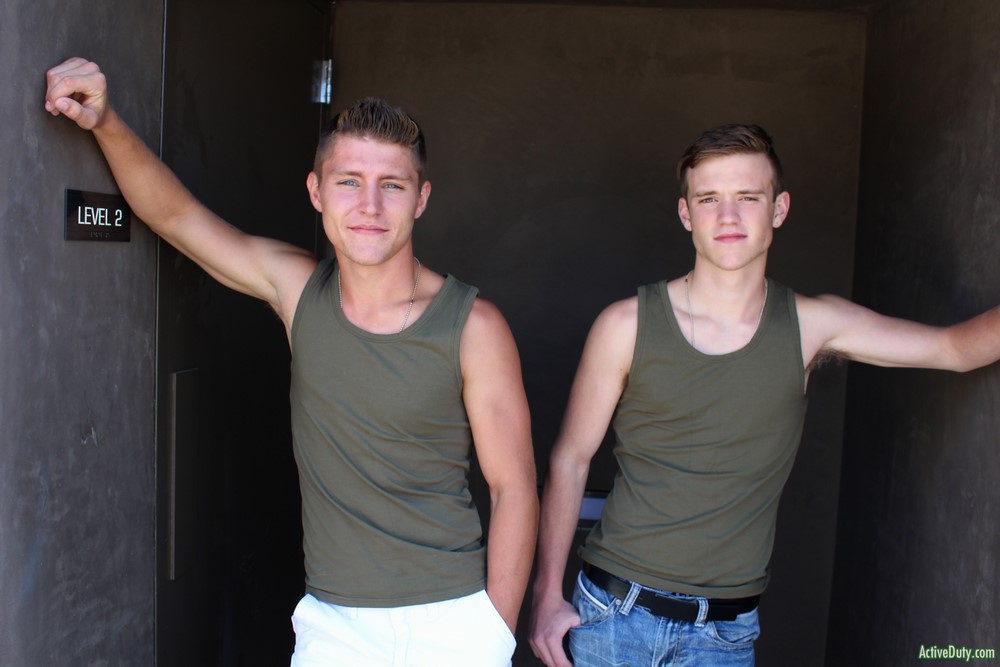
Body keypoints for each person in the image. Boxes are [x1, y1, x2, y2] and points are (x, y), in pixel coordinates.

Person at [45, 57, 538, 667]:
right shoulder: (299, 290)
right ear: (316, 191)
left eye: (392, 185)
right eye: (348, 181)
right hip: (334, 625)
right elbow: (175, 216)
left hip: (451, 620)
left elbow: (514, 487)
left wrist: (494, 635)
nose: (369, 205)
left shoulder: (474, 326)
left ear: (421, 199)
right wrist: (106, 122)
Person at [528, 123, 1000, 666]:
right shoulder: (625, 325)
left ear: (779, 208)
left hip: (724, 636)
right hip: (613, 615)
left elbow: (955, 348)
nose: (728, 216)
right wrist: (545, 596)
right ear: (686, 213)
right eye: (709, 198)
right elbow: (570, 459)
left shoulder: (812, 325)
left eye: (748, 197)